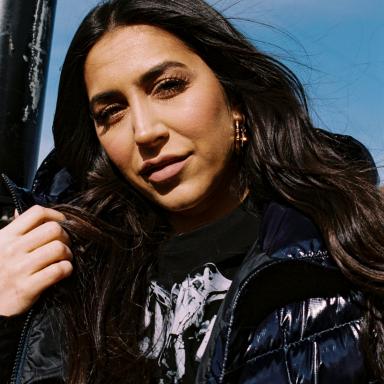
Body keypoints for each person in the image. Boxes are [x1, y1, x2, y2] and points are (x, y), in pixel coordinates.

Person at [0, 0, 383, 383]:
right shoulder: (73, 283)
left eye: (168, 87)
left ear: (234, 99)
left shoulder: (352, 249)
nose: (145, 131)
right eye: (112, 112)